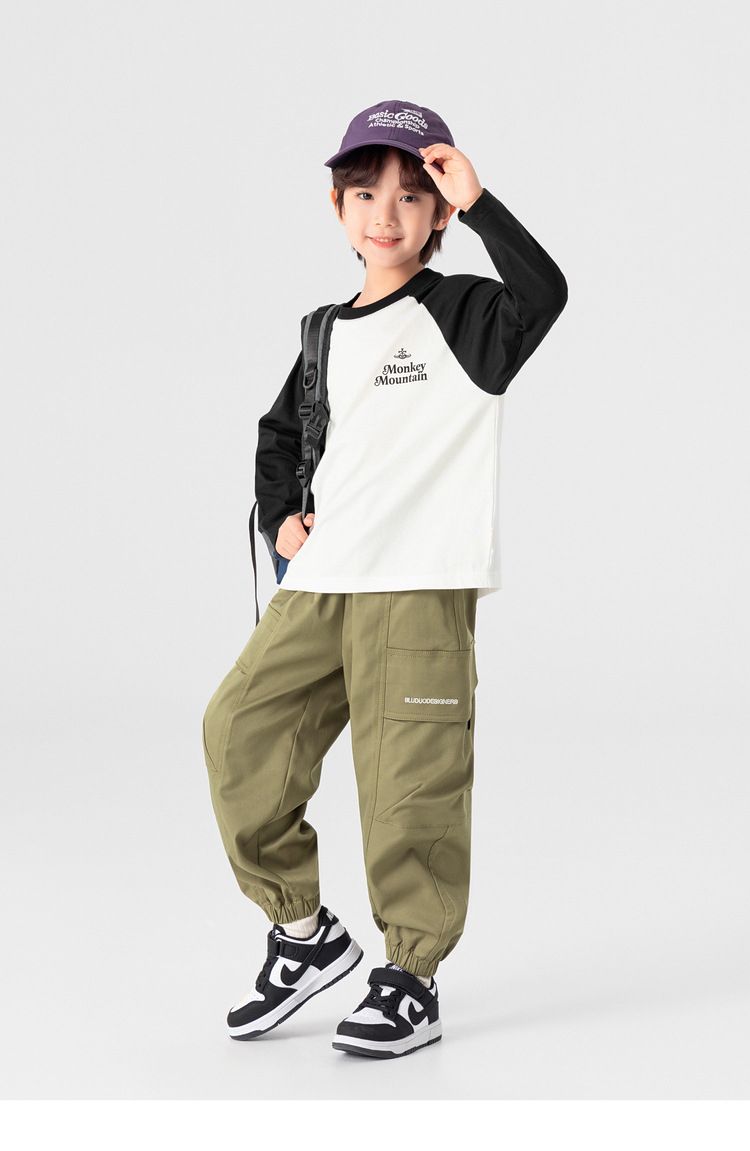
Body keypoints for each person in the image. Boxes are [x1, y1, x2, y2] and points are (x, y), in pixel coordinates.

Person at [202, 99, 568, 1059]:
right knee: (238, 732)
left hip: (419, 581)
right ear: (338, 208)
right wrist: (282, 517)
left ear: (438, 211)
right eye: (365, 195)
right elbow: (280, 436)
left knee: (410, 787)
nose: (387, 215)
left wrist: (481, 203)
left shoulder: (468, 316)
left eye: (412, 196)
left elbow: (546, 293)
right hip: (322, 582)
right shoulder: (324, 331)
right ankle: (305, 935)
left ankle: (412, 975)